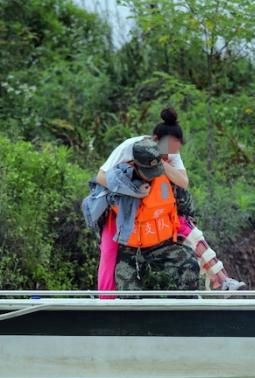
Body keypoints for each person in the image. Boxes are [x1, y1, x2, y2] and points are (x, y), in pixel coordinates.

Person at [93, 108, 245, 293]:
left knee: (191, 248)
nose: (170, 154)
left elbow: (183, 182)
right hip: (125, 225)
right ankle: (106, 301)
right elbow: (101, 177)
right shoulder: (128, 151)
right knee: (110, 260)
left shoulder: (169, 153)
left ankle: (219, 283)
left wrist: (160, 163)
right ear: (155, 139)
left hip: (161, 224)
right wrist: (132, 190)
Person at [112, 138, 201, 291]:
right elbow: (101, 220)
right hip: (128, 250)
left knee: (189, 266)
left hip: (161, 244)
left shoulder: (169, 180)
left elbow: (187, 210)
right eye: (148, 172)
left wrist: (182, 236)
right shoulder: (117, 182)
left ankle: (183, 310)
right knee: (128, 291)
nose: (153, 176)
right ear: (134, 165)